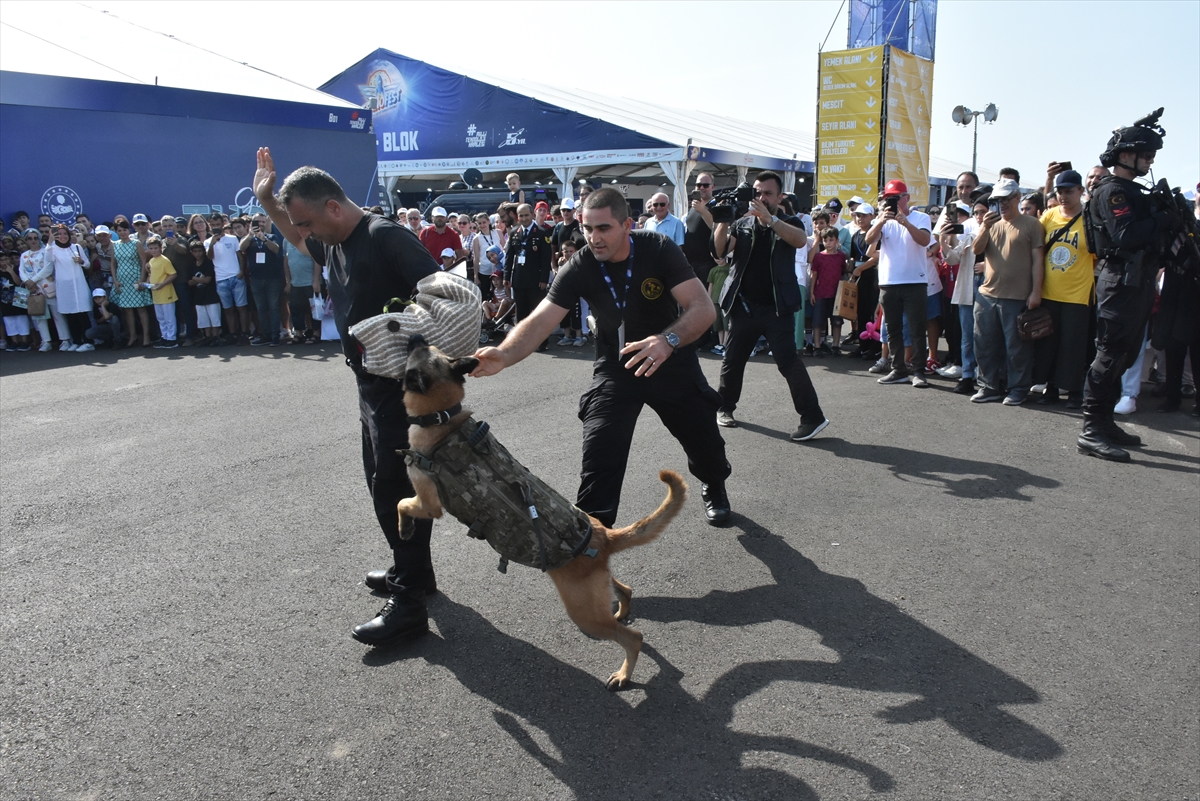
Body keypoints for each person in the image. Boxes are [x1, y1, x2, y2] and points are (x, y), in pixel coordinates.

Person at [253, 147, 440, 646]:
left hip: (401, 389)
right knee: (382, 483)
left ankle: (409, 605)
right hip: (368, 385)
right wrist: (268, 201)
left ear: (333, 207)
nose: (304, 233)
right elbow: (298, 238)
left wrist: (415, 352)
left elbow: (445, 297)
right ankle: (416, 572)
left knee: (394, 490)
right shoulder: (333, 240)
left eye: (308, 221)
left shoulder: (384, 237)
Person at [471, 187, 732, 525]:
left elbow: (702, 308)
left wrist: (667, 340)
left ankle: (714, 484)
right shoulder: (581, 264)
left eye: (603, 228)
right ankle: (593, 533)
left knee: (704, 442)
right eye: (587, 228)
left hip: (669, 360)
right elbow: (541, 320)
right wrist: (503, 354)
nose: (594, 238)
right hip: (616, 368)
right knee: (600, 451)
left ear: (627, 225)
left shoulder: (658, 248)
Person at [1077, 112, 1173, 460]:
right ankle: (1091, 429)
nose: (1149, 161)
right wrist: (1160, 219)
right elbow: (1126, 235)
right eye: (1145, 155)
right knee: (1110, 354)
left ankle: (1105, 423)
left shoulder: (1133, 191)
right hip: (1120, 282)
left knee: (1126, 355)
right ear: (1126, 155)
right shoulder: (1114, 191)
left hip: (1138, 281)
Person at [712, 170, 830, 440]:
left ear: (779, 197)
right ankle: (724, 407)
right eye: (757, 192)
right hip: (744, 306)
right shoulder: (742, 223)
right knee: (733, 360)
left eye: (767, 193)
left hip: (777, 308)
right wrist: (722, 221)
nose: (761, 197)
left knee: (788, 362)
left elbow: (799, 241)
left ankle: (812, 417)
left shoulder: (790, 222)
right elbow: (719, 250)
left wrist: (771, 220)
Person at [969, 178, 1045, 406]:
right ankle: (988, 386)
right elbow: (976, 249)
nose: (1001, 204)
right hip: (987, 295)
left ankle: (1018, 388)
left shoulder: (1031, 224)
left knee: (1017, 348)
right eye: (997, 200)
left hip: (1017, 296)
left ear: (1017, 197)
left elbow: (1038, 260)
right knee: (984, 345)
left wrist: (1036, 291)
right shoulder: (991, 224)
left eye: (1006, 199)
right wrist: (984, 227)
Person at [864, 179, 934, 388]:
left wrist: (906, 223)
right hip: (889, 282)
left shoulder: (920, 217)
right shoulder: (883, 220)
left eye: (896, 198)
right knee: (892, 328)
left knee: (916, 328)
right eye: (888, 198)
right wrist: (880, 221)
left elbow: (924, 240)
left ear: (907, 197)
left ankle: (919, 371)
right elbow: (869, 240)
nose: (892, 202)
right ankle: (898, 369)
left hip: (915, 281)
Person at [1033, 169, 1093, 408]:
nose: (1064, 196)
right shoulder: (1049, 215)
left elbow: (1097, 255)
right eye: (1060, 192)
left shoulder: (1090, 218)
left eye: (1069, 191)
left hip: (1078, 294)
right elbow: (1036, 249)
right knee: (1049, 344)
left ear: (1080, 191)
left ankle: (1075, 390)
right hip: (1049, 291)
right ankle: (1051, 388)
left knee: (1074, 345)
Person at [938, 202, 981, 394]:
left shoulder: (999, 229)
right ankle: (967, 374)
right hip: (967, 288)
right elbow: (953, 258)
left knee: (986, 336)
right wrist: (944, 239)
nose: (979, 216)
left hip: (990, 289)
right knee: (967, 336)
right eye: (976, 212)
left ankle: (985, 374)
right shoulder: (969, 229)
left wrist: (987, 266)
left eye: (983, 212)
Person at [503, 203, 553, 350]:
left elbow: (546, 258)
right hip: (519, 279)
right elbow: (509, 256)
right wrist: (506, 276)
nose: (524, 218)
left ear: (532, 215)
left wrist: (544, 278)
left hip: (536, 280)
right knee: (521, 313)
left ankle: (542, 343)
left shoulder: (541, 233)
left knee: (538, 313)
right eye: (521, 216)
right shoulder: (514, 232)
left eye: (526, 215)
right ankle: (521, 343)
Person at [45, 224, 94, 351]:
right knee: (70, 315)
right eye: (59, 234)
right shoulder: (53, 249)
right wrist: (50, 241)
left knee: (82, 314)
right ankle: (76, 341)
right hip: (64, 287)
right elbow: (48, 258)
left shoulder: (76, 247)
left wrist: (81, 261)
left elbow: (87, 264)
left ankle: (88, 342)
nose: (62, 236)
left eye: (65, 234)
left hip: (79, 285)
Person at [241, 213, 285, 346]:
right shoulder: (249, 238)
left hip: (273, 278)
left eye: (262, 222)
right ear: (251, 224)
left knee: (273, 307)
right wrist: (250, 235)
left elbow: (276, 249)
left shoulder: (271, 236)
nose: (260, 224)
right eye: (257, 222)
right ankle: (266, 335)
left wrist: (264, 239)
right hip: (255, 279)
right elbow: (242, 247)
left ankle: (275, 336)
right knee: (261, 308)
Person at [208, 218, 249, 343]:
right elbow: (209, 257)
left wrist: (241, 271)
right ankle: (233, 334)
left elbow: (240, 256)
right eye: (213, 225)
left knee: (242, 307)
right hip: (221, 280)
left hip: (236, 277)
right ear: (210, 225)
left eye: (218, 224)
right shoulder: (208, 241)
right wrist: (212, 244)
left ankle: (245, 333)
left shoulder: (232, 238)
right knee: (228, 309)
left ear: (223, 224)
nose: (216, 227)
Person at [809, 230, 847, 355]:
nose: (828, 243)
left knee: (837, 321)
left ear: (837, 241)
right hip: (821, 293)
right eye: (825, 240)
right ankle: (817, 347)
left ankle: (836, 346)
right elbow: (814, 275)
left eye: (831, 240)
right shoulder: (819, 256)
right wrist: (812, 292)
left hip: (837, 294)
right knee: (818, 321)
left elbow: (844, 271)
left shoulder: (841, 256)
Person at [144, 235, 179, 348]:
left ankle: (172, 338)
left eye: (155, 248)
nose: (153, 250)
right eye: (151, 248)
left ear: (160, 248)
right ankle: (164, 336)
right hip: (156, 295)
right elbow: (151, 275)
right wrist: (147, 283)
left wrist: (162, 284)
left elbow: (173, 274)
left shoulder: (164, 260)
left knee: (169, 318)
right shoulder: (151, 261)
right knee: (161, 318)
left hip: (166, 293)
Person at [186, 241, 222, 345]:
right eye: (195, 251)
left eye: (200, 251)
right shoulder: (191, 265)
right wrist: (198, 280)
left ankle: (215, 337)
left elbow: (207, 280)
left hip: (211, 295)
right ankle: (207, 337)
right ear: (192, 252)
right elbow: (189, 282)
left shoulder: (208, 263)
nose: (198, 253)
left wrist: (195, 279)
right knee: (203, 319)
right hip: (198, 296)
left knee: (214, 317)